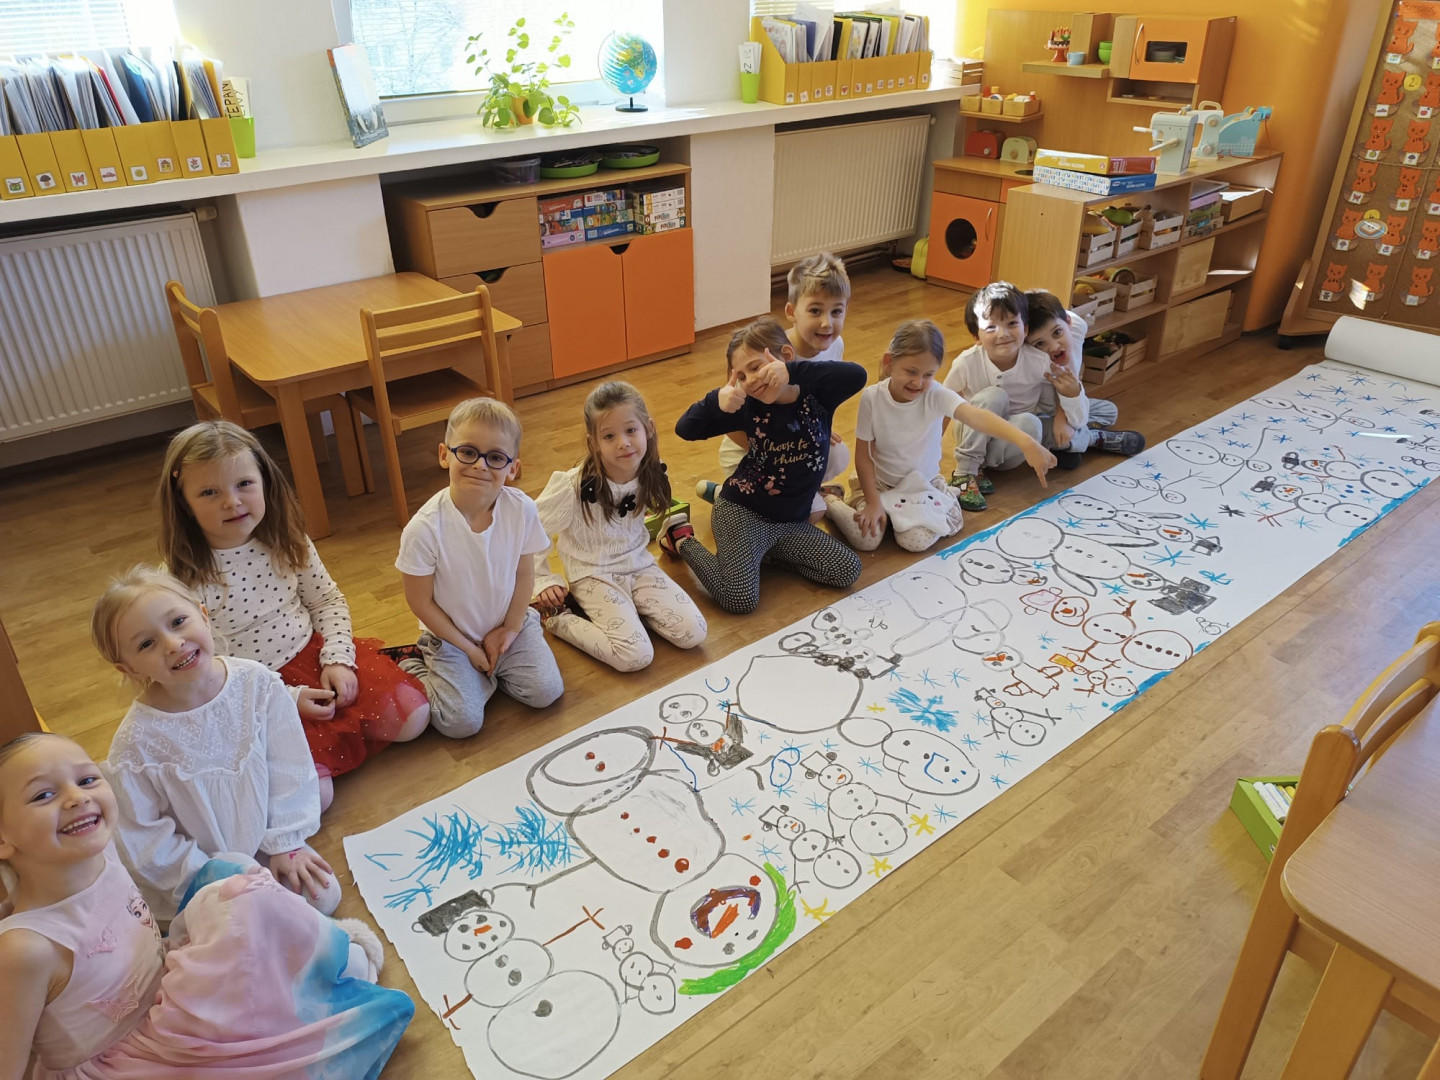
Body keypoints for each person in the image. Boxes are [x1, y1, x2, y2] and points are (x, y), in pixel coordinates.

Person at [0, 732, 412, 1079]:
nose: (77, 798)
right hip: (131, 1062)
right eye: (44, 794)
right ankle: (320, 973)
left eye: (88, 779)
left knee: (230, 871)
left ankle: (319, 966)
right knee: (246, 904)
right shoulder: (24, 949)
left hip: (167, 994)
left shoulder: (100, 851)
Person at [159, 421, 427, 808]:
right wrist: (286, 699)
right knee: (316, 799)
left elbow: (326, 601)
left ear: (265, 482)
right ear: (184, 503)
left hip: (314, 658)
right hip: (248, 694)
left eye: (244, 484)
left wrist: (338, 659)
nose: (231, 502)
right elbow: (208, 670)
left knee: (415, 718)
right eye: (209, 492)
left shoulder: (288, 538)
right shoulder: (178, 579)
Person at [92, 566, 338, 920]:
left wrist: (285, 842)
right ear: (128, 668)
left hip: (267, 841)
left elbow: (288, 765)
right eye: (147, 644)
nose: (173, 644)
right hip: (205, 870)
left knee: (322, 898)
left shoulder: (256, 683)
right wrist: (217, 876)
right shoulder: (135, 745)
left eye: (178, 622)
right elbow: (145, 839)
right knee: (252, 926)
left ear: (203, 615)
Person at [664, 316, 865, 614]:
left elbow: (857, 375)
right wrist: (716, 401)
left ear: (785, 356)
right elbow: (685, 429)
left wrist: (792, 371)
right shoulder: (746, 405)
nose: (751, 381)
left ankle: (763, 554)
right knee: (739, 599)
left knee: (847, 570)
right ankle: (680, 538)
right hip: (742, 512)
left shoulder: (819, 394)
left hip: (790, 523)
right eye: (741, 376)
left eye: (756, 367)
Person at [393, 397, 563, 738]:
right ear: (445, 455)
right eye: (468, 452)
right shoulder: (424, 528)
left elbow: (524, 574)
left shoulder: (522, 509)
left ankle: (483, 677)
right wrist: (469, 649)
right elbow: (420, 602)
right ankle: (419, 664)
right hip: (451, 638)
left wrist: (512, 628)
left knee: (546, 692)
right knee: (461, 723)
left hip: (509, 624)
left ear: (513, 468)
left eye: (496, 458)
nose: (481, 466)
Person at [825, 319, 1055, 551]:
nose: (918, 382)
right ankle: (831, 501)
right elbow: (864, 457)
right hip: (880, 483)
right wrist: (873, 502)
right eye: (911, 371)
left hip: (923, 486)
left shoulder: (936, 394)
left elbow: (977, 417)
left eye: (928, 374)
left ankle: (900, 518)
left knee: (914, 541)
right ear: (889, 362)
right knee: (867, 540)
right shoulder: (872, 397)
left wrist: (1026, 442)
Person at [531, 382, 706, 671]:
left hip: (639, 565)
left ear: (648, 428)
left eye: (631, 430)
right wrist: (543, 581)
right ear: (593, 443)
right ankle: (557, 618)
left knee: (694, 633)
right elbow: (529, 529)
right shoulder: (572, 486)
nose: (623, 443)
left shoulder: (652, 471)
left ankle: (631, 611)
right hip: (593, 573)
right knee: (635, 657)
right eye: (609, 436)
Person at [696, 252, 853, 515]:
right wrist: (771, 452)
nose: (827, 323)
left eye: (836, 311)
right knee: (802, 517)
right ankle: (728, 495)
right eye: (815, 311)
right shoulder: (769, 353)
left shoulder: (835, 346)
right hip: (750, 454)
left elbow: (820, 399)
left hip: (792, 451)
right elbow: (729, 422)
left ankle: (803, 490)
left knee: (838, 454)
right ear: (791, 312)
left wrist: (817, 431)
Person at [943, 281, 1087, 511]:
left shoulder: (1040, 361)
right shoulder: (966, 363)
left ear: (1025, 329)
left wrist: (1063, 416)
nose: (1003, 334)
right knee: (994, 396)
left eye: (1012, 324)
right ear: (976, 335)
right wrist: (928, 453)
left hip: (1006, 450)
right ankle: (965, 473)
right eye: (991, 327)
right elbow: (942, 404)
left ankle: (982, 468)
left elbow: (1062, 391)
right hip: (971, 437)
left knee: (1033, 422)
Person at [1023, 288, 1144, 465]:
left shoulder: (1077, 327)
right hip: (1038, 414)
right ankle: (1092, 438)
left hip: (1063, 401)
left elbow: (1070, 377)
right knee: (1041, 428)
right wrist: (1062, 421)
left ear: (1068, 322)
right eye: (1040, 344)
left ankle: (1069, 442)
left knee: (1109, 411)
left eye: (1057, 333)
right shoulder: (1030, 359)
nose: (1054, 347)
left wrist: (1062, 418)